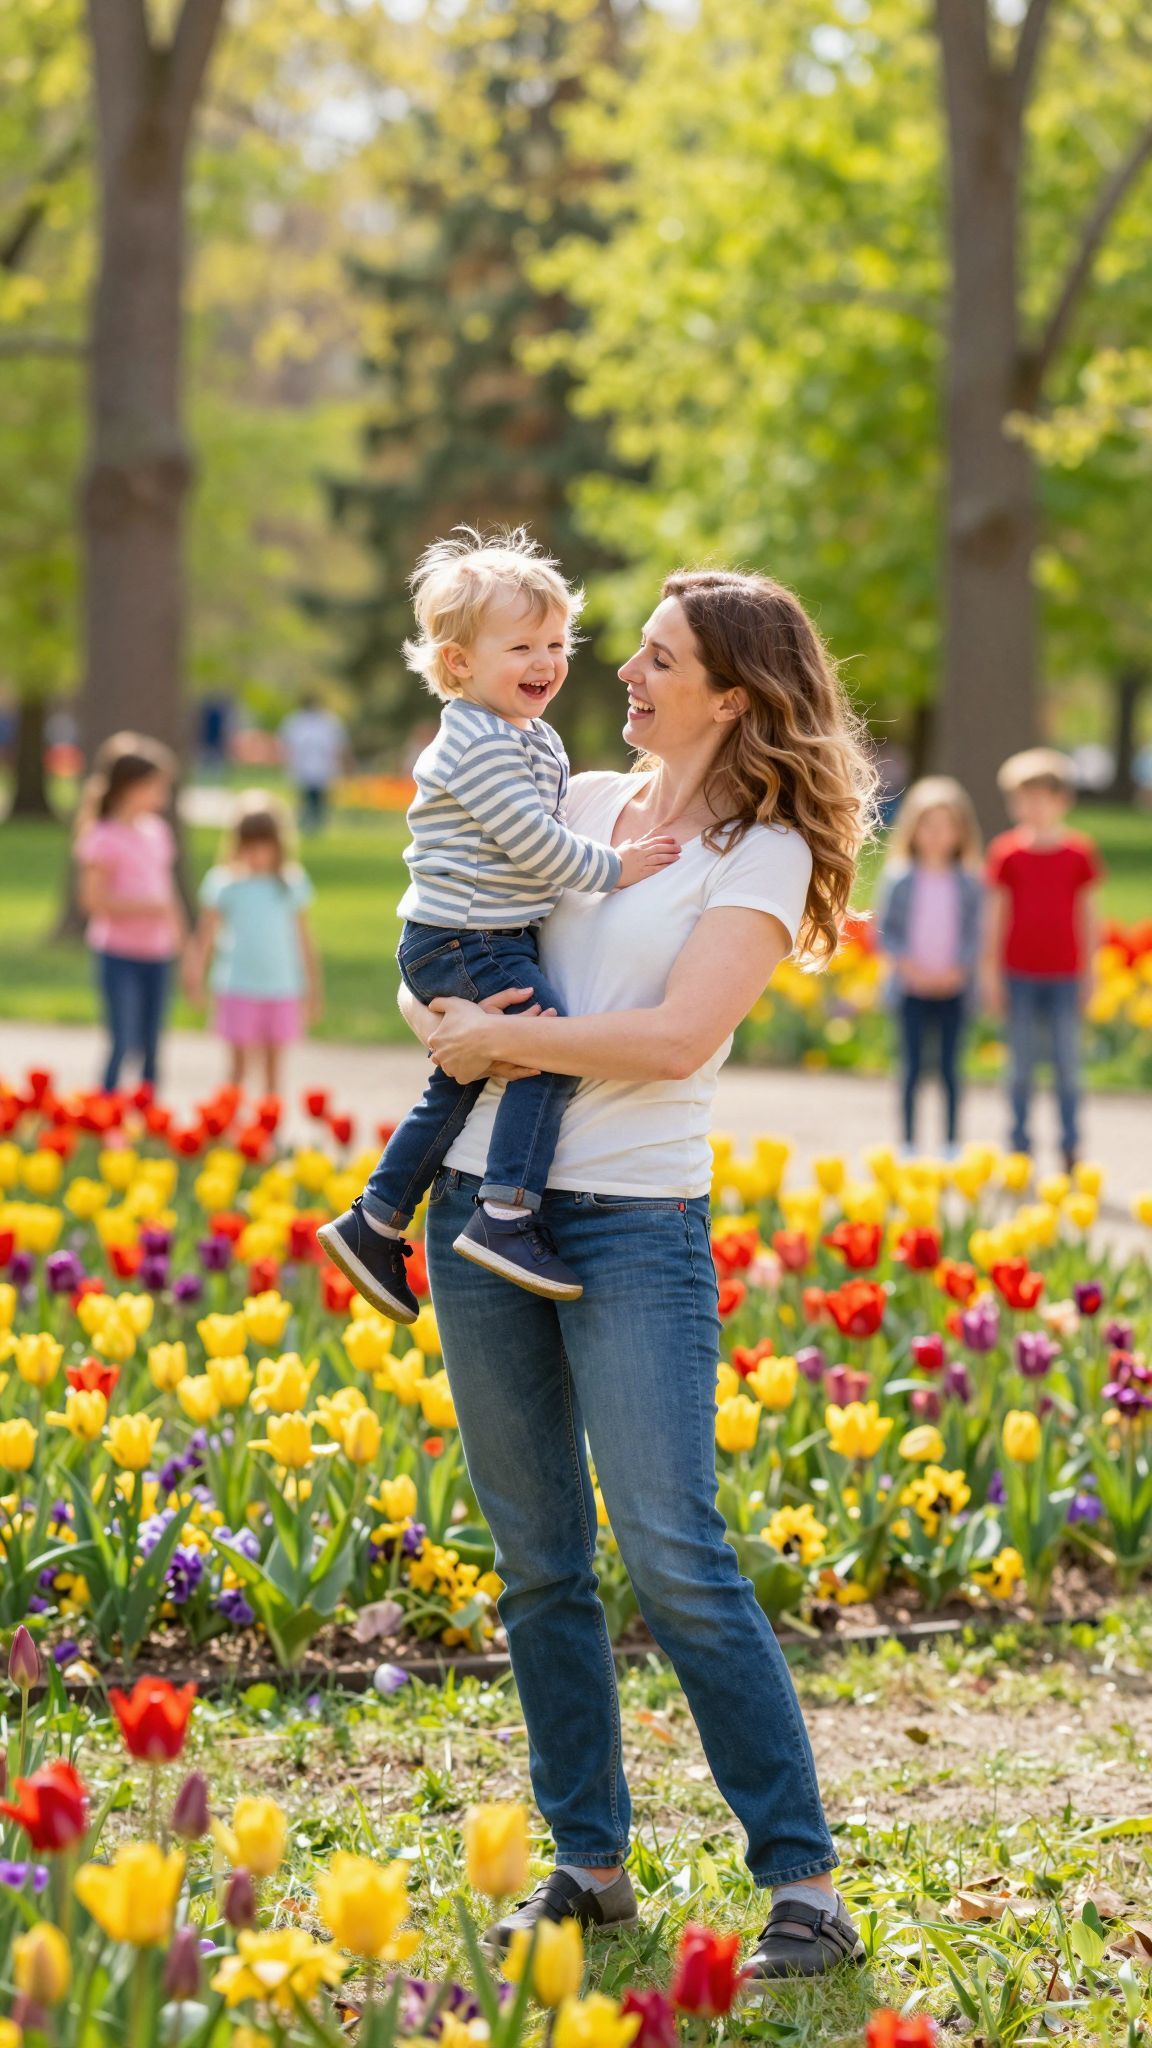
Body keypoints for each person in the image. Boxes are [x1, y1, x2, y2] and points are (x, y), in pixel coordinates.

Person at [396, 568, 876, 1984]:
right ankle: (590, 1867)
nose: (623, 672)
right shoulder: (579, 798)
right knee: (539, 1562)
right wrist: (440, 1013)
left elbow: (673, 1038)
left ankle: (804, 1886)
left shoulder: (761, 854)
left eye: (658, 659)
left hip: (631, 1224)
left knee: (675, 1551)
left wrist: (499, 1042)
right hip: (482, 1206)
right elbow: (447, 931)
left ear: (731, 695)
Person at [318, 529, 680, 1322]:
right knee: (543, 1045)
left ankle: (375, 1219)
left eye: (556, 643)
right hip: (466, 938)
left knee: (461, 1081)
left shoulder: (526, 734)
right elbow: (537, 844)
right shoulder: (476, 743)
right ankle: (507, 1212)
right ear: (458, 663)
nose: (545, 661)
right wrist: (618, 867)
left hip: (474, 936)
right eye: (521, 647)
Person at [982, 747, 1102, 1170]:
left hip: (1066, 975)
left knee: (1068, 1066)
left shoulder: (1079, 854)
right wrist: (990, 972)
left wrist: (1092, 970)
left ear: (1061, 800)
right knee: (1020, 1067)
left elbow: (1089, 916)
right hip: (1019, 974)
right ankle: (1019, 1143)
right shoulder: (1006, 854)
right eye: (1023, 798)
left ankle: (1070, 1144)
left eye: (1040, 797)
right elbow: (996, 917)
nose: (1031, 807)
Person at [184, 791, 321, 1096]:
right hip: (237, 986)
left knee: (273, 1072)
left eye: (263, 845)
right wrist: (195, 974)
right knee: (237, 1069)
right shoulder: (224, 884)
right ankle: (228, 1121)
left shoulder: (290, 884)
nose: (256, 853)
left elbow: (304, 941)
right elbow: (205, 936)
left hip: (281, 988)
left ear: (277, 846)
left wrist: (313, 988)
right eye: (249, 845)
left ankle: (268, 1122)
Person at [876, 775, 984, 1156]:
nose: (937, 835)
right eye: (928, 825)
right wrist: (909, 968)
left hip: (954, 989)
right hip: (911, 989)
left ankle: (951, 1143)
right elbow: (886, 932)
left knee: (952, 1069)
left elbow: (976, 932)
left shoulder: (969, 882)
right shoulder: (900, 879)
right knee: (911, 1068)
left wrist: (960, 969)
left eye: (946, 826)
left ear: (961, 832)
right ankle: (908, 1142)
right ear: (913, 829)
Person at [74, 732, 184, 1094]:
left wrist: (183, 943)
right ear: (130, 787)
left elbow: (168, 892)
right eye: (155, 786)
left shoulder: (158, 832)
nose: (163, 795)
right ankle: (104, 1109)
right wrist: (146, 907)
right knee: (123, 1039)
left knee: (153, 1042)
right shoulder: (103, 837)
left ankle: (149, 1112)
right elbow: (92, 900)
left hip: (157, 953)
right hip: (118, 953)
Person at [279, 693, 346, 832]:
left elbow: (337, 746)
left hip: (321, 765)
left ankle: (316, 823)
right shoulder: (295, 721)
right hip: (303, 765)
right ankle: (306, 822)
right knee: (305, 797)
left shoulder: (327, 721)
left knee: (318, 797)